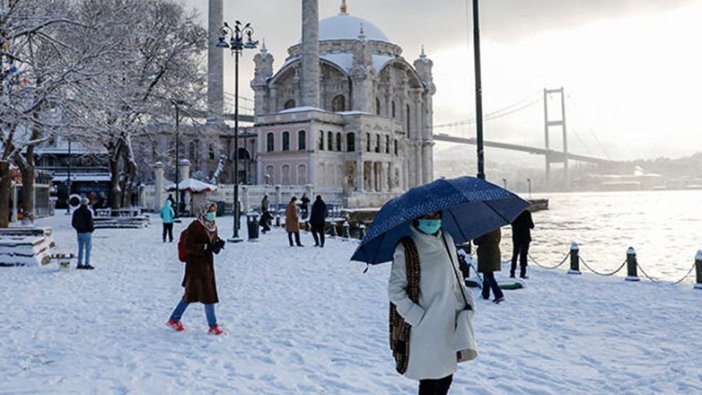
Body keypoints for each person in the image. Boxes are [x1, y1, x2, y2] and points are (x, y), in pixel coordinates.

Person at [388, 211, 476, 395]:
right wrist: (417, 316)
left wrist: (467, 301)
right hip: (425, 326)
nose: (432, 220)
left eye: (436, 216)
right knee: (429, 380)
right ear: (417, 218)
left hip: (450, 320)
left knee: (446, 376)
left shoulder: (447, 239)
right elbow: (395, 291)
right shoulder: (407, 247)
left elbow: (456, 274)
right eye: (426, 217)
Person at [167, 201, 226, 335]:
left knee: (190, 294)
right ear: (204, 211)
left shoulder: (212, 225)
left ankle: (174, 319)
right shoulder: (196, 225)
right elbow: (188, 246)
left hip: (207, 264)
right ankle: (213, 325)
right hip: (196, 266)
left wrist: (217, 244)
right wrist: (205, 247)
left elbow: (211, 242)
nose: (212, 214)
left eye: (214, 211)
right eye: (210, 211)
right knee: (208, 294)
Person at [473, 228, 505, 304]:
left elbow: (476, 241)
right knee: (487, 272)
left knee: (488, 274)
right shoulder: (496, 226)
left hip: (485, 253)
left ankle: (498, 294)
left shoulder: (482, 228)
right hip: (494, 251)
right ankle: (485, 293)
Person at [71, 197, 95, 270]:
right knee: (88, 249)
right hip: (87, 232)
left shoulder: (76, 212)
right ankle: (87, 263)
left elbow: (73, 223)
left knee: (80, 248)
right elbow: (90, 222)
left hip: (79, 232)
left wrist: (77, 229)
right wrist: (91, 229)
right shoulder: (88, 212)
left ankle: (79, 263)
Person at [510, 209, 535, 279]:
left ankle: (512, 272)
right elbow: (531, 225)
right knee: (523, 255)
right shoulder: (526, 213)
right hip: (525, 237)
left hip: (516, 237)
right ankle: (522, 273)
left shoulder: (513, 212)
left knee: (515, 255)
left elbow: (511, 223)